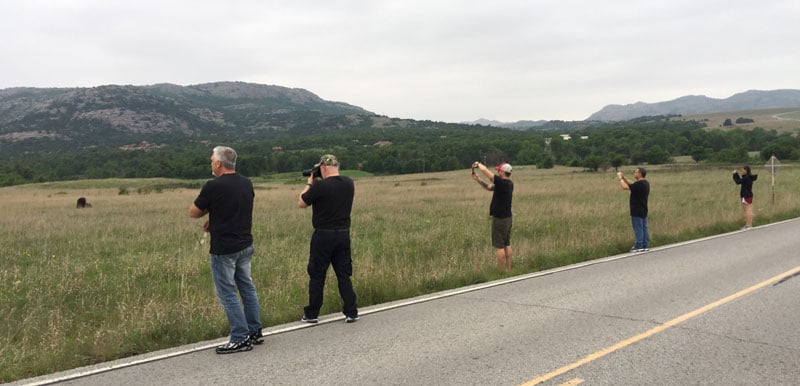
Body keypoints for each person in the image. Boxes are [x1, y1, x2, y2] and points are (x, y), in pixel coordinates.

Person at [189, 146, 263, 354]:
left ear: (219, 163)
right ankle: (254, 330)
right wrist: (215, 218)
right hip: (245, 243)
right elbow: (235, 208)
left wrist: (209, 212)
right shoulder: (246, 183)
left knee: (227, 292)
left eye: (212, 160)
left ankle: (240, 337)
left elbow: (194, 212)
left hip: (224, 248)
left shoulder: (213, 186)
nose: (211, 163)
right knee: (247, 287)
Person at [298, 154, 359, 323]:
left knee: (317, 274)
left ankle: (312, 313)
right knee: (343, 274)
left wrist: (309, 184)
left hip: (323, 234)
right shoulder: (349, 183)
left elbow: (302, 202)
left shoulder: (320, 187)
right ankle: (351, 311)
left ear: (323, 168)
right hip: (343, 234)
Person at [471, 161, 514, 270]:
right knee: (506, 244)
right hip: (508, 218)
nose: (497, 171)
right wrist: (478, 180)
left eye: (499, 170)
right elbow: (489, 187)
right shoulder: (509, 184)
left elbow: (486, 171)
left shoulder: (501, 182)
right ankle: (508, 270)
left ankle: (500, 272)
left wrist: (478, 164)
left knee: (499, 247)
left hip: (499, 219)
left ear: (503, 172)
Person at [617, 167, 650, 252]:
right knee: (644, 227)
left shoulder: (639, 185)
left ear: (640, 174)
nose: (634, 174)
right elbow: (632, 184)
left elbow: (625, 187)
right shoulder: (645, 183)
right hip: (644, 209)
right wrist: (624, 177)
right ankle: (645, 244)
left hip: (636, 209)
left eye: (636, 172)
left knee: (638, 227)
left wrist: (620, 178)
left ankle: (638, 245)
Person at [733, 165, 758, 229]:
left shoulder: (746, 177)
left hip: (745, 195)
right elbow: (740, 181)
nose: (741, 171)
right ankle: (749, 224)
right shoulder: (749, 177)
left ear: (746, 170)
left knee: (747, 210)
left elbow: (738, 182)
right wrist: (737, 174)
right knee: (749, 209)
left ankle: (748, 225)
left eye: (742, 170)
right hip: (749, 195)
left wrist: (735, 174)